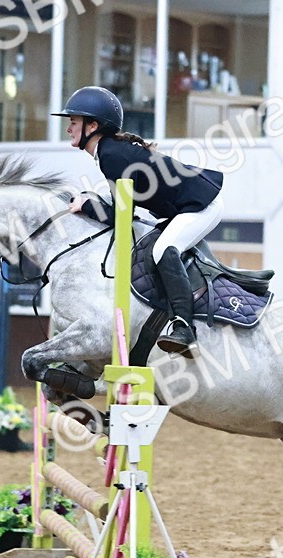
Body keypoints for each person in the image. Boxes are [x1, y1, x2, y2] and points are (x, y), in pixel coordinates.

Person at [52, 86, 224, 357]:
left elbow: (120, 217)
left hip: (202, 206)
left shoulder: (111, 156)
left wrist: (86, 205)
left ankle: (185, 329)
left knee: (163, 250)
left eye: (73, 122)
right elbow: (123, 211)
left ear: (93, 126)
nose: (68, 128)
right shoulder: (110, 152)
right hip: (188, 206)